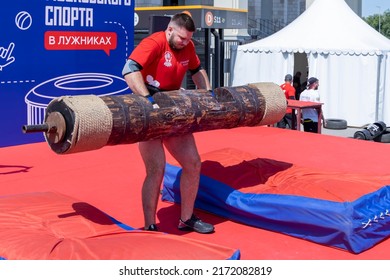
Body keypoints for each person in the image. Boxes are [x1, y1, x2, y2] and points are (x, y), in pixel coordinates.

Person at [121, 12, 215, 234]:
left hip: (173, 107)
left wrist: (208, 94)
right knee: (156, 169)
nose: (185, 42)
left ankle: (187, 218)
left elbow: (197, 70)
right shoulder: (154, 42)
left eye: (189, 39)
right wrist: (148, 100)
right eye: (182, 38)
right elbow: (129, 69)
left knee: (193, 163)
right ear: (170, 30)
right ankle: (149, 225)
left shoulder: (188, 46)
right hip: (148, 109)